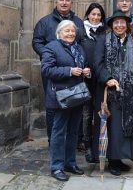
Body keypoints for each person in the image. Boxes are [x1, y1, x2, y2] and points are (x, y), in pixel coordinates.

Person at [94, 10, 133, 176]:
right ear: (111, 25)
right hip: (110, 93)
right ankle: (112, 160)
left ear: (127, 25)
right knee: (113, 127)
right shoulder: (103, 41)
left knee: (124, 127)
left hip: (129, 93)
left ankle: (121, 158)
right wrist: (107, 78)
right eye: (116, 22)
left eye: (123, 22)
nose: (120, 25)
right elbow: (97, 64)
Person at [32, 0, 85, 143]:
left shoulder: (78, 22)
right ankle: (53, 140)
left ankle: (74, 141)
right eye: (61, 0)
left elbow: (81, 43)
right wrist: (51, 55)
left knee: (75, 104)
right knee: (53, 106)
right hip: (53, 71)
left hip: (74, 72)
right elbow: (37, 42)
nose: (64, 2)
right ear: (56, 1)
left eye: (67, 0)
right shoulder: (45, 21)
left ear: (71, 3)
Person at [41, 20, 90, 182]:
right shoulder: (51, 47)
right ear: (59, 32)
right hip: (60, 97)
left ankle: (70, 163)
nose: (70, 34)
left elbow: (82, 67)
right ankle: (56, 167)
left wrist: (86, 71)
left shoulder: (78, 48)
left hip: (76, 95)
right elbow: (47, 70)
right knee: (59, 132)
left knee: (74, 132)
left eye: (72, 31)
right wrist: (69, 71)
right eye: (67, 31)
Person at [79, 2, 107, 163]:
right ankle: (88, 146)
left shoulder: (106, 32)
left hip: (102, 79)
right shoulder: (80, 31)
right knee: (87, 114)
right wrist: (83, 68)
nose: (95, 17)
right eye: (93, 14)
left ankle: (101, 145)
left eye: (98, 15)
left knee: (102, 113)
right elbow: (75, 52)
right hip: (86, 79)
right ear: (88, 14)